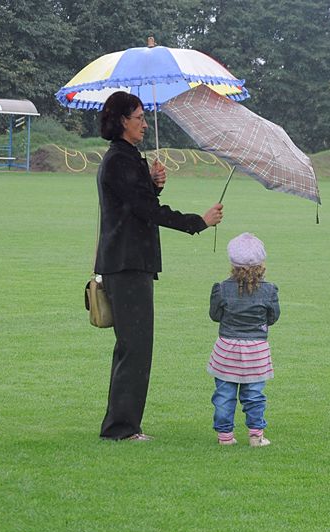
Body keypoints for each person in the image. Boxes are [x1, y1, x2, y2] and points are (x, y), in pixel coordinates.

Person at [95, 91, 223, 441]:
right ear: (123, 121)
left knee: (133, 346)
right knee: (135, 348)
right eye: (139, 118)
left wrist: (151, 184)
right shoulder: (120, 160)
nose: (145, 124)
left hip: (129, 262)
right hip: (127, 264)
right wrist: (199, 221)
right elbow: (147, 211)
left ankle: (122, 425)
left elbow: (136, 203)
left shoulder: (127, 158)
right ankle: (121, 428)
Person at [207, 233, 280, 447]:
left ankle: (225, 436)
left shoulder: (221, 288)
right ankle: (256, 435)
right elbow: (273, 317)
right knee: (254, 394)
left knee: (224, 394)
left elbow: (215, 315)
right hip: (256, 350)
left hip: (226, 349)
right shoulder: (269, 290)